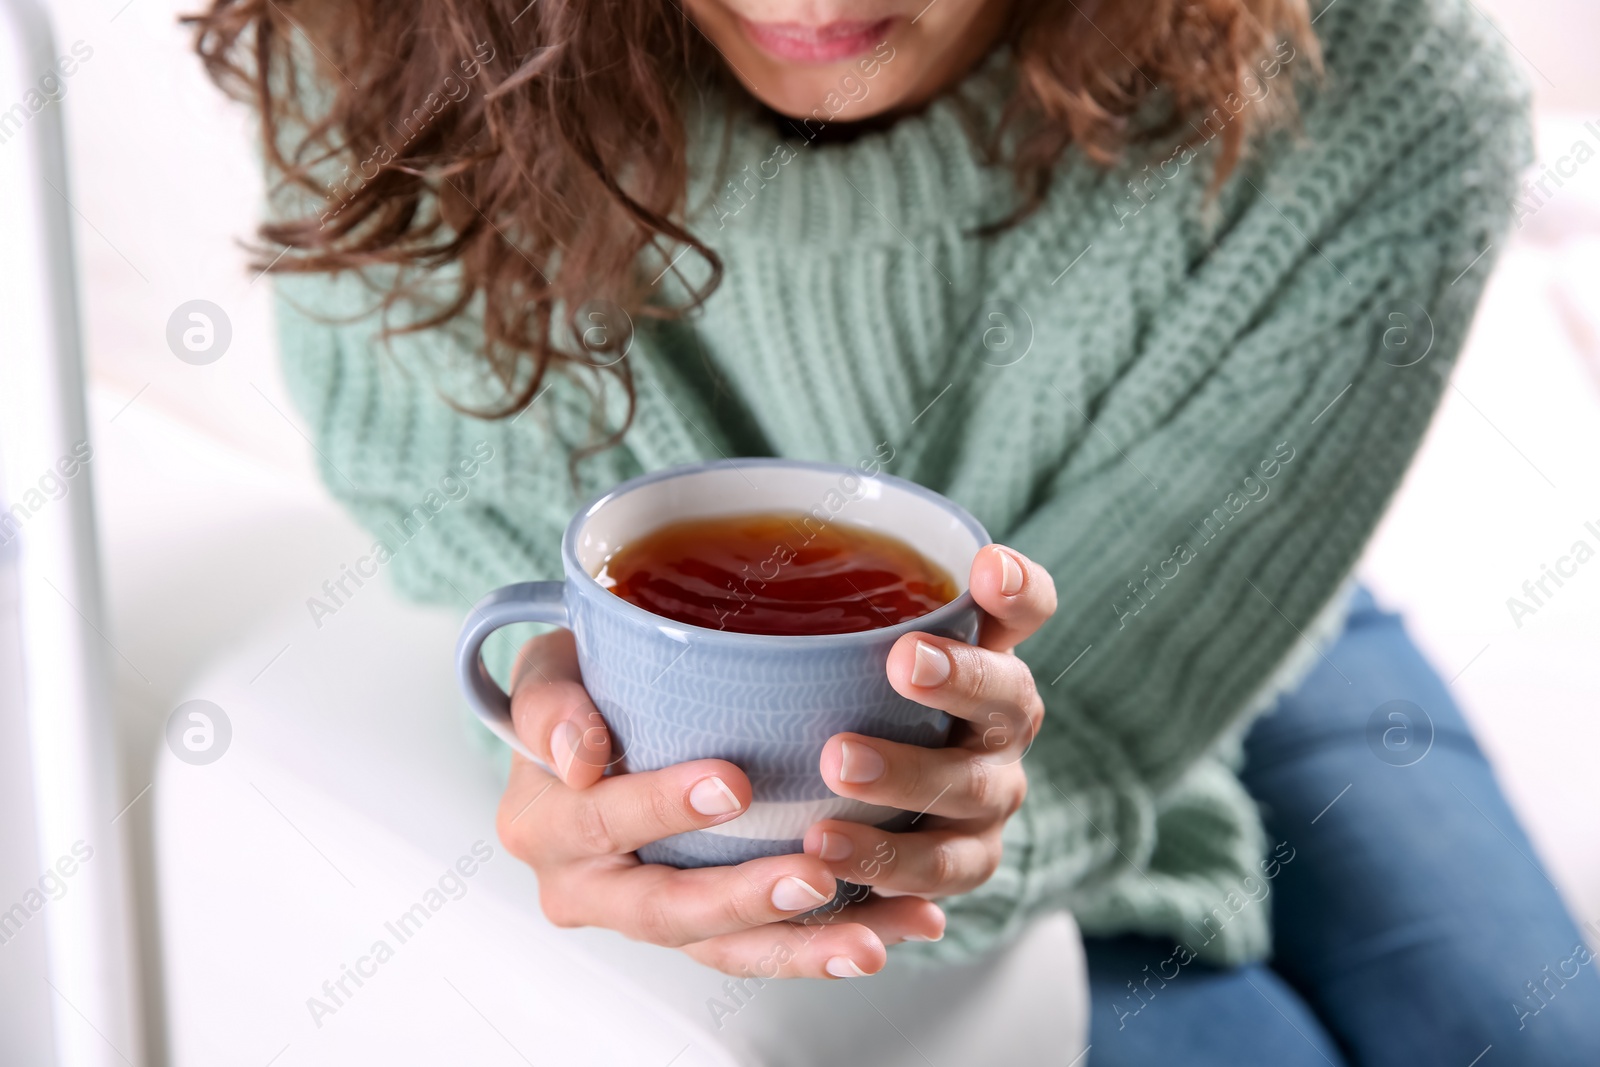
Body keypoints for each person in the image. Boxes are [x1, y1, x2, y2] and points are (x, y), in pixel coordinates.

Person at [191, 0, 1600, 1060]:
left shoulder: (1376, 93)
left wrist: (980, 820)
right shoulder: (404, 41)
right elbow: (499, 551)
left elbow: (1104, 710)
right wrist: (600, 775)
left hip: (1222, 583)